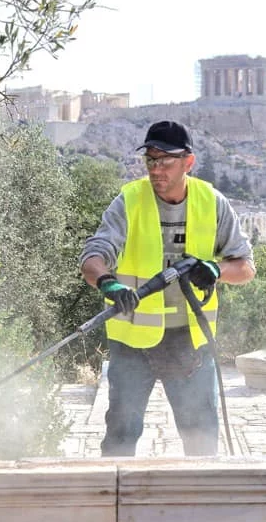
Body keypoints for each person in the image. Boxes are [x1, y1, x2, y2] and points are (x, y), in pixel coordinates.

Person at [79, 120, 256, 457]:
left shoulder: (211, 202)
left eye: (165, 161)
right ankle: (116, 503)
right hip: (133, 344)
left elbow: (245, 267)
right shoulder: (129, 201)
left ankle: (202, 503)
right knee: (121, 434)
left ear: (188, 162)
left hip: (191, 344)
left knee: (201, 437)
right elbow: (93, 255)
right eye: (150, 161)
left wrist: (216, 270)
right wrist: (107, 282)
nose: (156, 169)